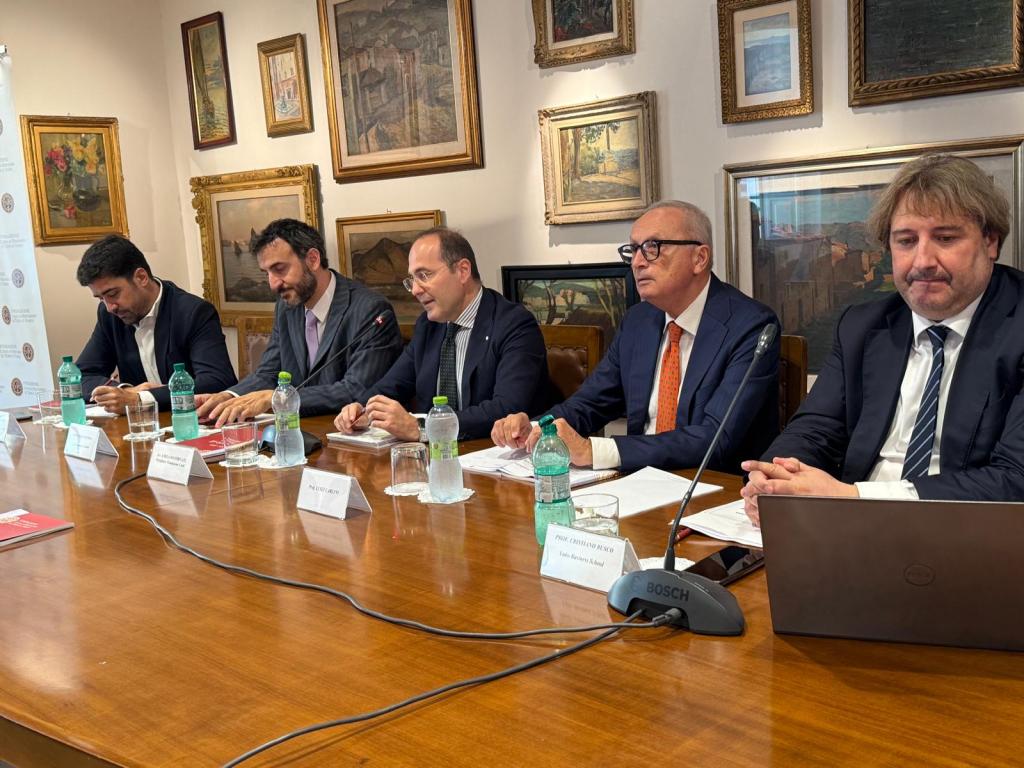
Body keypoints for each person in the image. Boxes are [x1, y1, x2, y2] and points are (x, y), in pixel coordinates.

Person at [741, 154, 1024, 525]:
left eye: (945, 238)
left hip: (972, 538)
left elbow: (1015, 481)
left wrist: (854, 497)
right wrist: (777, 481)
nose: (923, 260)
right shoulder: (863, 325)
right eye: (906, 241)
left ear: (990, 242)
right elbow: (814, 429)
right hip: (851, 535)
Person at [491, 200, 780, 473]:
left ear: (699, 258)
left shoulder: (751, 327)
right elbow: (590, 403)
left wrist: (595, 451)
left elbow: (713, 438)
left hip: (711, 491)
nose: (638, 262)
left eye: (653, 247)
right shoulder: (638, 321)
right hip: (637, 484)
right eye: (633, 250)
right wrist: (539, 427)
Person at [334, 228, 550, 441]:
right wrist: (361, 409)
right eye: (412, 280)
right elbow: (391, 386)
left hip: (494, 455)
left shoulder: (514, 325)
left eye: (424, 275)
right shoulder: (428, 326)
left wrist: (424, 428)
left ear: (463, 271)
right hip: (437, 458)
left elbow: (505, 408)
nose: (416, 290)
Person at [196, 219, 403, 426]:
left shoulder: (370, 310)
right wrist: (228, 396)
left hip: (347, 434)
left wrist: (278, 398)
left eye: (279, 269)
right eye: (266, 273)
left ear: (312, 259)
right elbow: (269, 372)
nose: (273, 284)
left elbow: (356, 389)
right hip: (295, 432)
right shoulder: (286, 306)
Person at [75, 234, 236, 413]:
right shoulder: (110, 315)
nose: (109, 307)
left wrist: (141, 399)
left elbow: (217, 380)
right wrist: (124, 391)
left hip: (191, 422)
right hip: (140, 427)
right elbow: (79, 376)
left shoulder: (192, 312)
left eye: (113, 294)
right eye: (100, 298)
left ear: (141, 277)